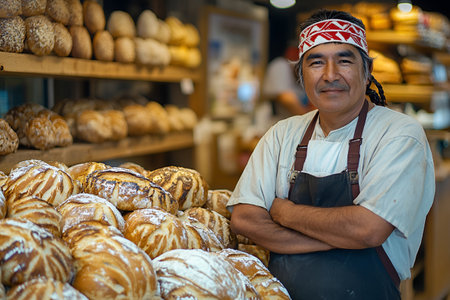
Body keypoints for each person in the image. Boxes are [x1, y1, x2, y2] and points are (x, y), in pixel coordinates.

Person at [228, 9, 435, 300]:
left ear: (367, 73)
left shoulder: (399, 135)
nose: (330, 75)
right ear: (301, 75)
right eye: (316, 63)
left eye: (344, 61)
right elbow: (245, 219)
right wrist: (336, 239)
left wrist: (284, 212)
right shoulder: (281, 134)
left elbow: (368, 230)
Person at [262, 44, 315, 121]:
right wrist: (314, 121)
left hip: (298, 127)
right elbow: (286, 99)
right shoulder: (280, 65)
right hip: (273, 124)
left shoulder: (305, 72)